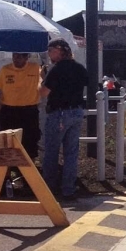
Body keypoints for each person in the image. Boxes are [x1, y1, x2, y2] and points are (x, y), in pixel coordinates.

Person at [39, 39, 89, 198]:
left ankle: (49, 189)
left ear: (59, 51)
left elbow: (43, 93)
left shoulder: (56, 70)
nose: (49, 54)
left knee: (51, 151)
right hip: (76, 112)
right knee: (71, 152)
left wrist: (42, 78)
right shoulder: (79, 68)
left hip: (59, 113)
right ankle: (68, 188)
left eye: (50, 50)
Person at [0, 52, 41, 163]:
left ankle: (30, 169)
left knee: (30, 140)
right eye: (14, 56)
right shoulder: (5, 69)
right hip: (9, 110)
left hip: (29, 111)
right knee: (7, 140)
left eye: (19, 56)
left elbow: (45, 82)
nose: (15, 59)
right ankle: (7, 170)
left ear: (26, 57)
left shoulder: (36, 68)